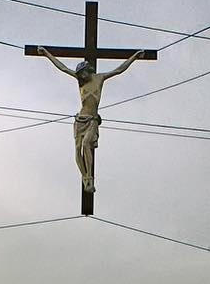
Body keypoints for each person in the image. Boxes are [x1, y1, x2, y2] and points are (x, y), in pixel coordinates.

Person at [37, 47, 145, 192]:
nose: (81, 76)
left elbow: (119, 70)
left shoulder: (100, 78)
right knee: (77, 149)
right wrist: (46, 54)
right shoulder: (80, 81)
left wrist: (135, 57)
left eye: (83, 73)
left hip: (92, 120)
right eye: (79, 74)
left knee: (86, 143)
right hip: (80, 120)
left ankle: (89, 177)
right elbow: (63, 68)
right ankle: (85, 178)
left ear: (88, 70)